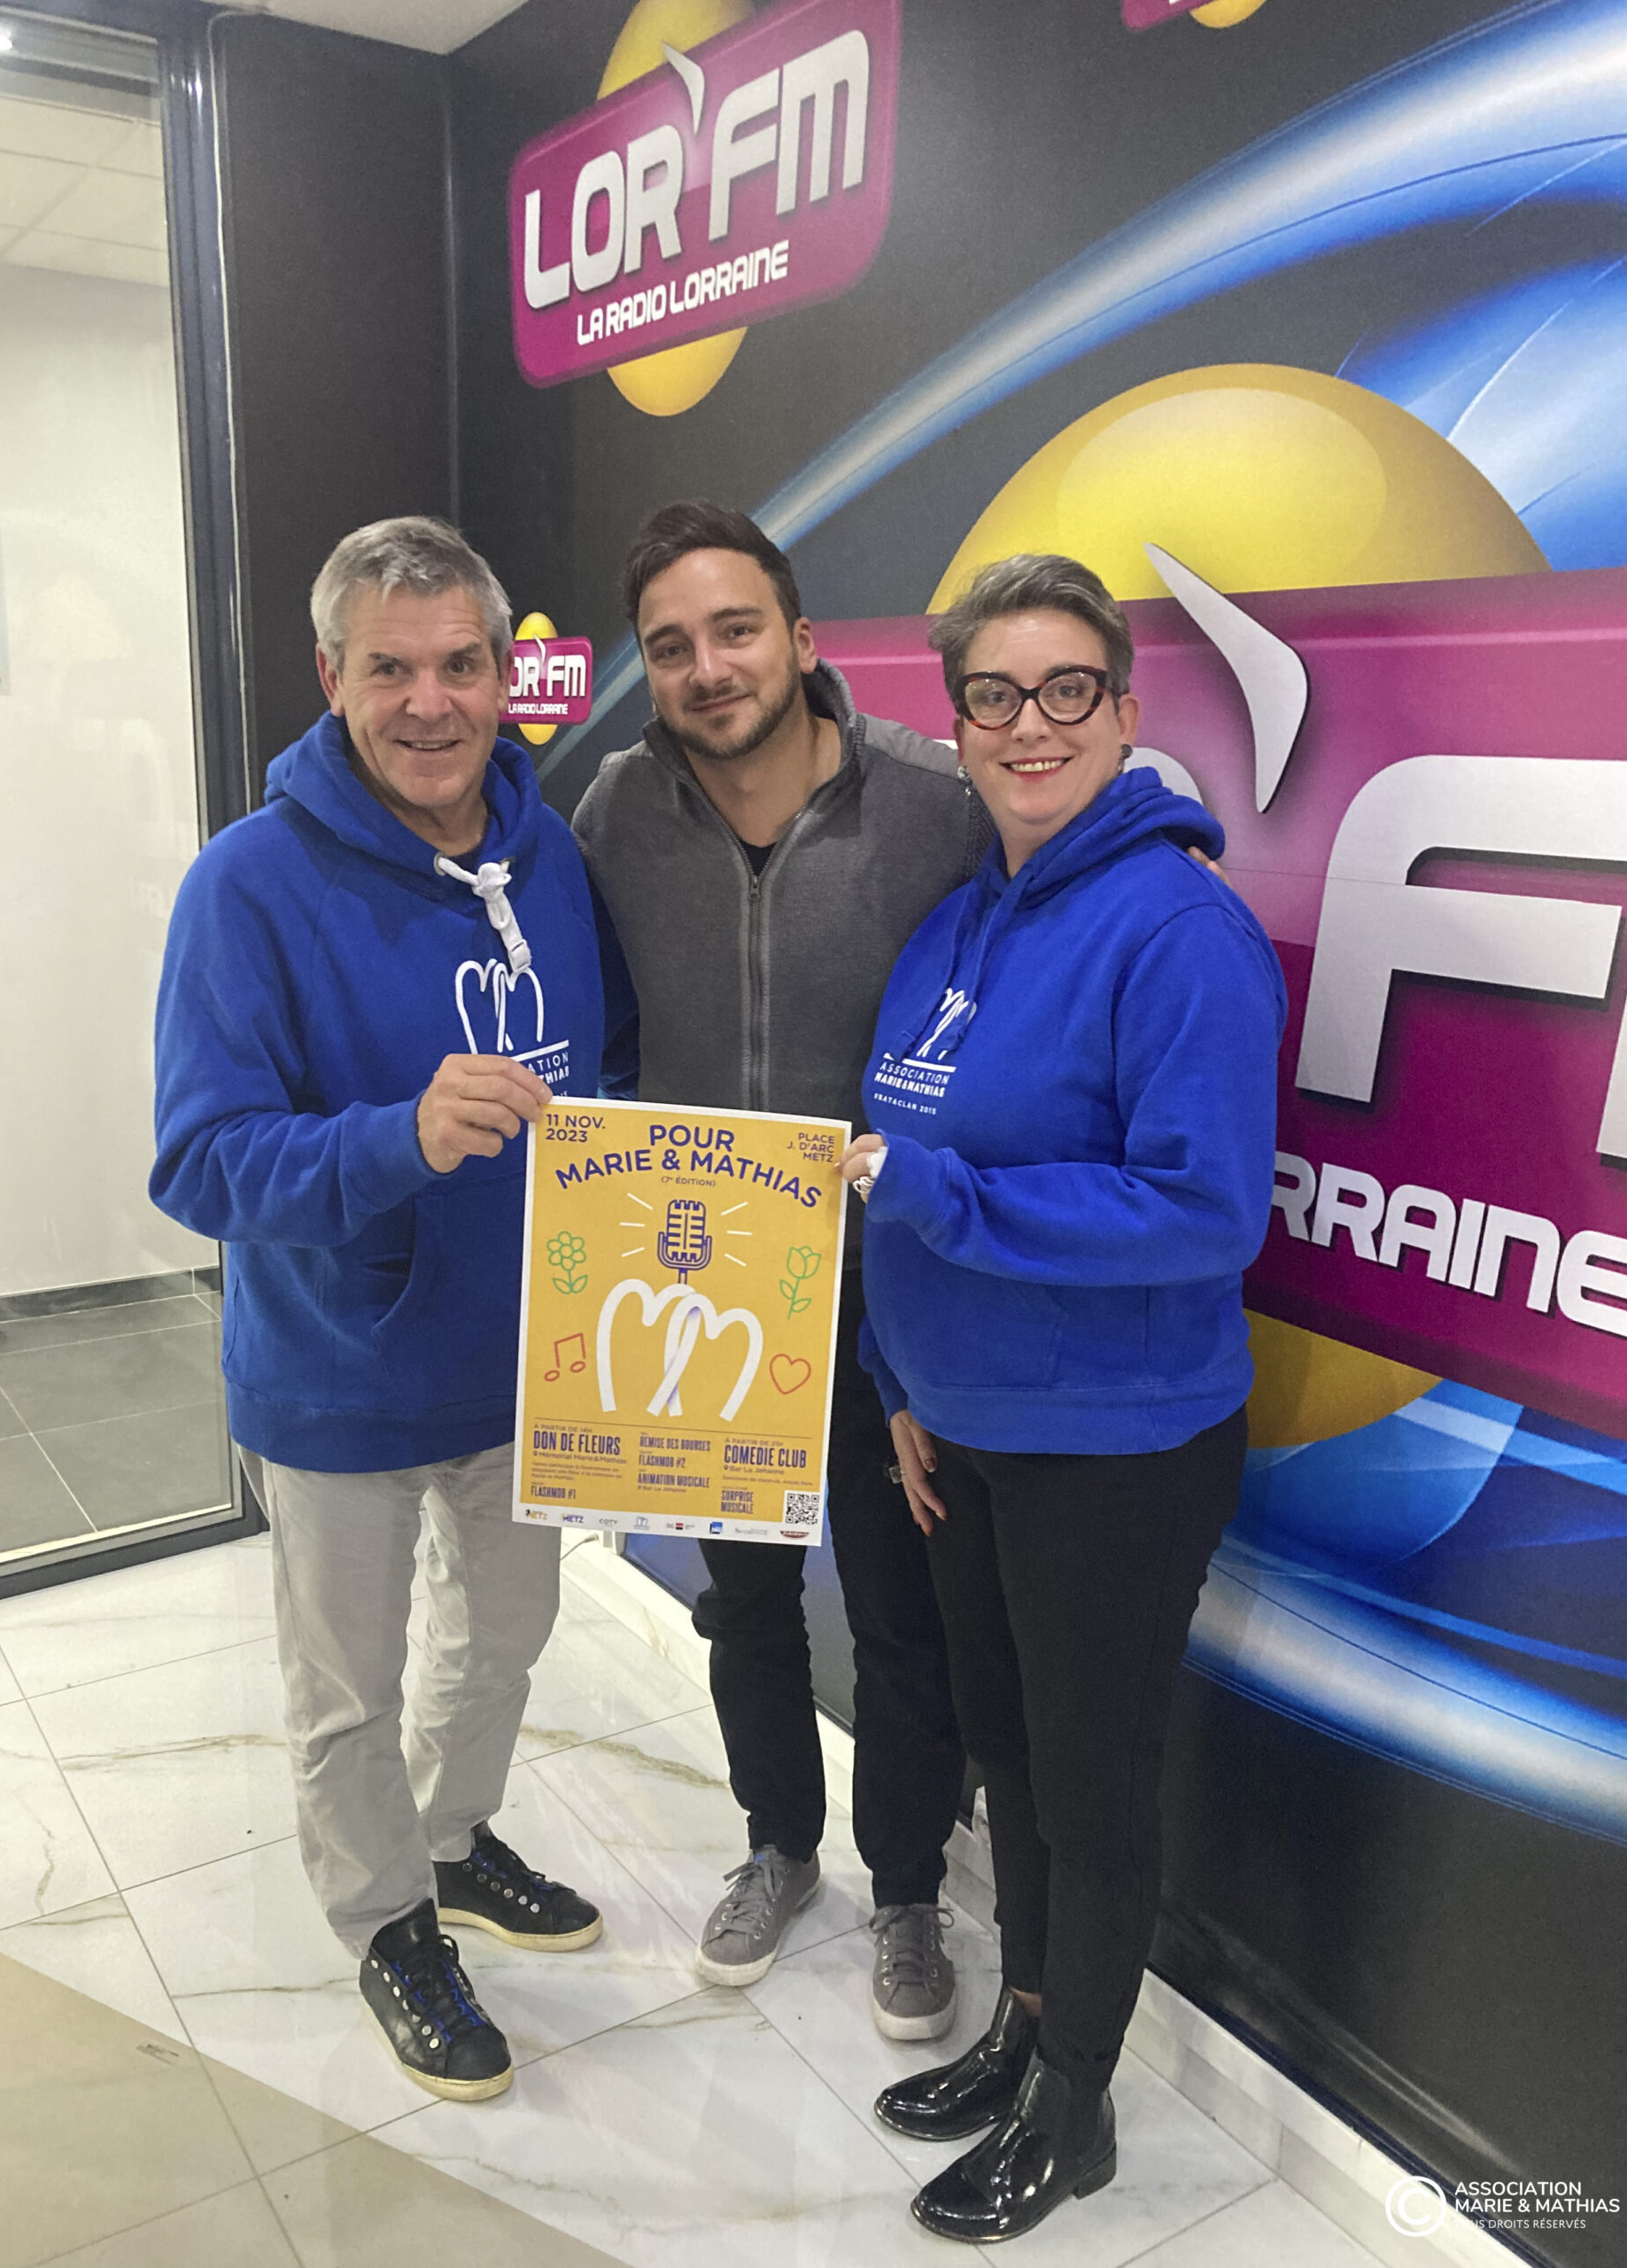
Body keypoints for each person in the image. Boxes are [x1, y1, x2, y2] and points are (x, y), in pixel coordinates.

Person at [839, 553, 1285, 2242]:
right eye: (996, 696)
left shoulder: (1179, 929)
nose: (1031, 725)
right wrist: (900, 1378)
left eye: (1067, 689)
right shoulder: (957, 922)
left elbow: (1204, 1209)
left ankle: (1076, 2108)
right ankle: (1029, 2030)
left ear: (1124, 709)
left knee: (1090, 1792)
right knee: (1010, 1759)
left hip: (1117, 1446)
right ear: (956, 725)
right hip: (963, 1432)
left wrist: (951, 1203)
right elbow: (887, 1177)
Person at [151, 517, 611, 2105]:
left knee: (505, 1643)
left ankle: (454, 1843)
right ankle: (388, 1922)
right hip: (337, 1370)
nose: (431, 702)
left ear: (501, 674)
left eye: (461, 664)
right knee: (347, 1688)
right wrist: (395, 1141)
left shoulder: (554, 858)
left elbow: (604, 1082)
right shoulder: (245, 885)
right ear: (331, 677)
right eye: (391, 668)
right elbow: (199, 1162)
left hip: (526, 1361)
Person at [575, 501, 980, 2038]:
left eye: (735, 629)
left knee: (899, 1614)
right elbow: (602, 1017)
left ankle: (908, 1892)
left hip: (885, 1299)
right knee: (742, 1605)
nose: (708, 667)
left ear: (801, 640)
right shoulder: (618, 808)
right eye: (671, 645)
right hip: (704, 1286)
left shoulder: (935, 810)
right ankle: (778, 1846)